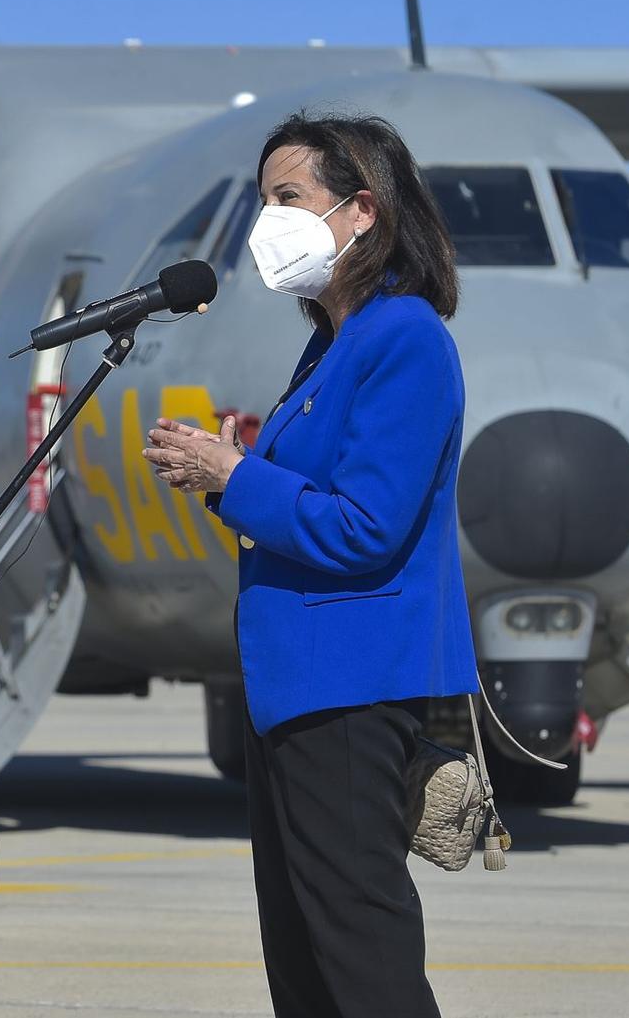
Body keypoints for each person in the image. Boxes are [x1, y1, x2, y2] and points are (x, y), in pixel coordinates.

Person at [144, 112, 475, 1018]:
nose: (267, 222)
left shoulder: (403, 338)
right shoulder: (334, 342)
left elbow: (366, 527)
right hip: (292, 687)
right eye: (263, 201)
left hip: (349, 688)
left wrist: (239, 475)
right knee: (300, 961)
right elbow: (307, 505)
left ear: (362, 210)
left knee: (359, 960)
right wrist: (220, 481)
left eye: (287, 198)